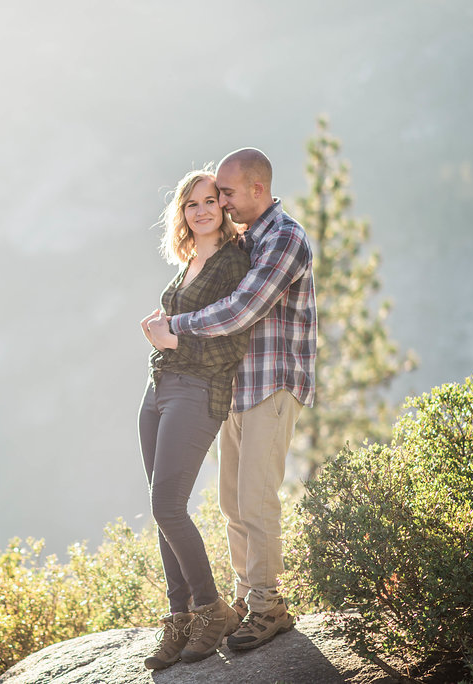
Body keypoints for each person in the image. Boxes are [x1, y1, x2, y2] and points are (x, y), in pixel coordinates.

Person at [147, 147, 317, 652]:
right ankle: (246, 598)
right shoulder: (246, 238)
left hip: (274, 382)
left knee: (256, 499)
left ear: (256, 190)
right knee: (231, 503)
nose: (220, 202)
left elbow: (243, 308)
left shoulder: (285, 239)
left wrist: (175, 328)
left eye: (226, 193)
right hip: (237, 387)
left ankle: (268, 607)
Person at [138, 167, 252, 670]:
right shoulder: (189, 260)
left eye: (210, 201)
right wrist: (161, 343)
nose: (201, 210)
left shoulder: (233, 262)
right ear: (181, 213)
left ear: (223, 208)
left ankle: (212, 610)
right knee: (161, 511)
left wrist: (173, 339)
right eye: (191, 204)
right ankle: (178, 617)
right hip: (159, 391)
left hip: (199, 391)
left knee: (168, 506)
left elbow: (233, 343)